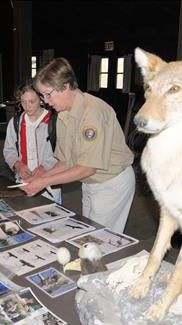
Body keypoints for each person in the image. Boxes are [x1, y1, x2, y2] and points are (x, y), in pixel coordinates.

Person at [20, 58, 136, 233]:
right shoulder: (63, 113)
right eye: (43, 95)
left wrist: (44, 181)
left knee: (98, 240)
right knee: (87, 234)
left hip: (111, 182)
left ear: (65, 86)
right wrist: (40, 178)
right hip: (90, 183)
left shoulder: (93, 112)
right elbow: (67, 160)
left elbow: (88, 167)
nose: (46, 101)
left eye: (48, 94)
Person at [3, 80, 61, 203]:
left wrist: (45, 167)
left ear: (41, 99)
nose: (27, 106)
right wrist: (17, 165)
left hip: (49, 183)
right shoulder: (15, 122)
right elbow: (9, 150)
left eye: (32, 101)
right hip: (23, 181)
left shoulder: (54, 122)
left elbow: (61, 153)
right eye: (23, 102)